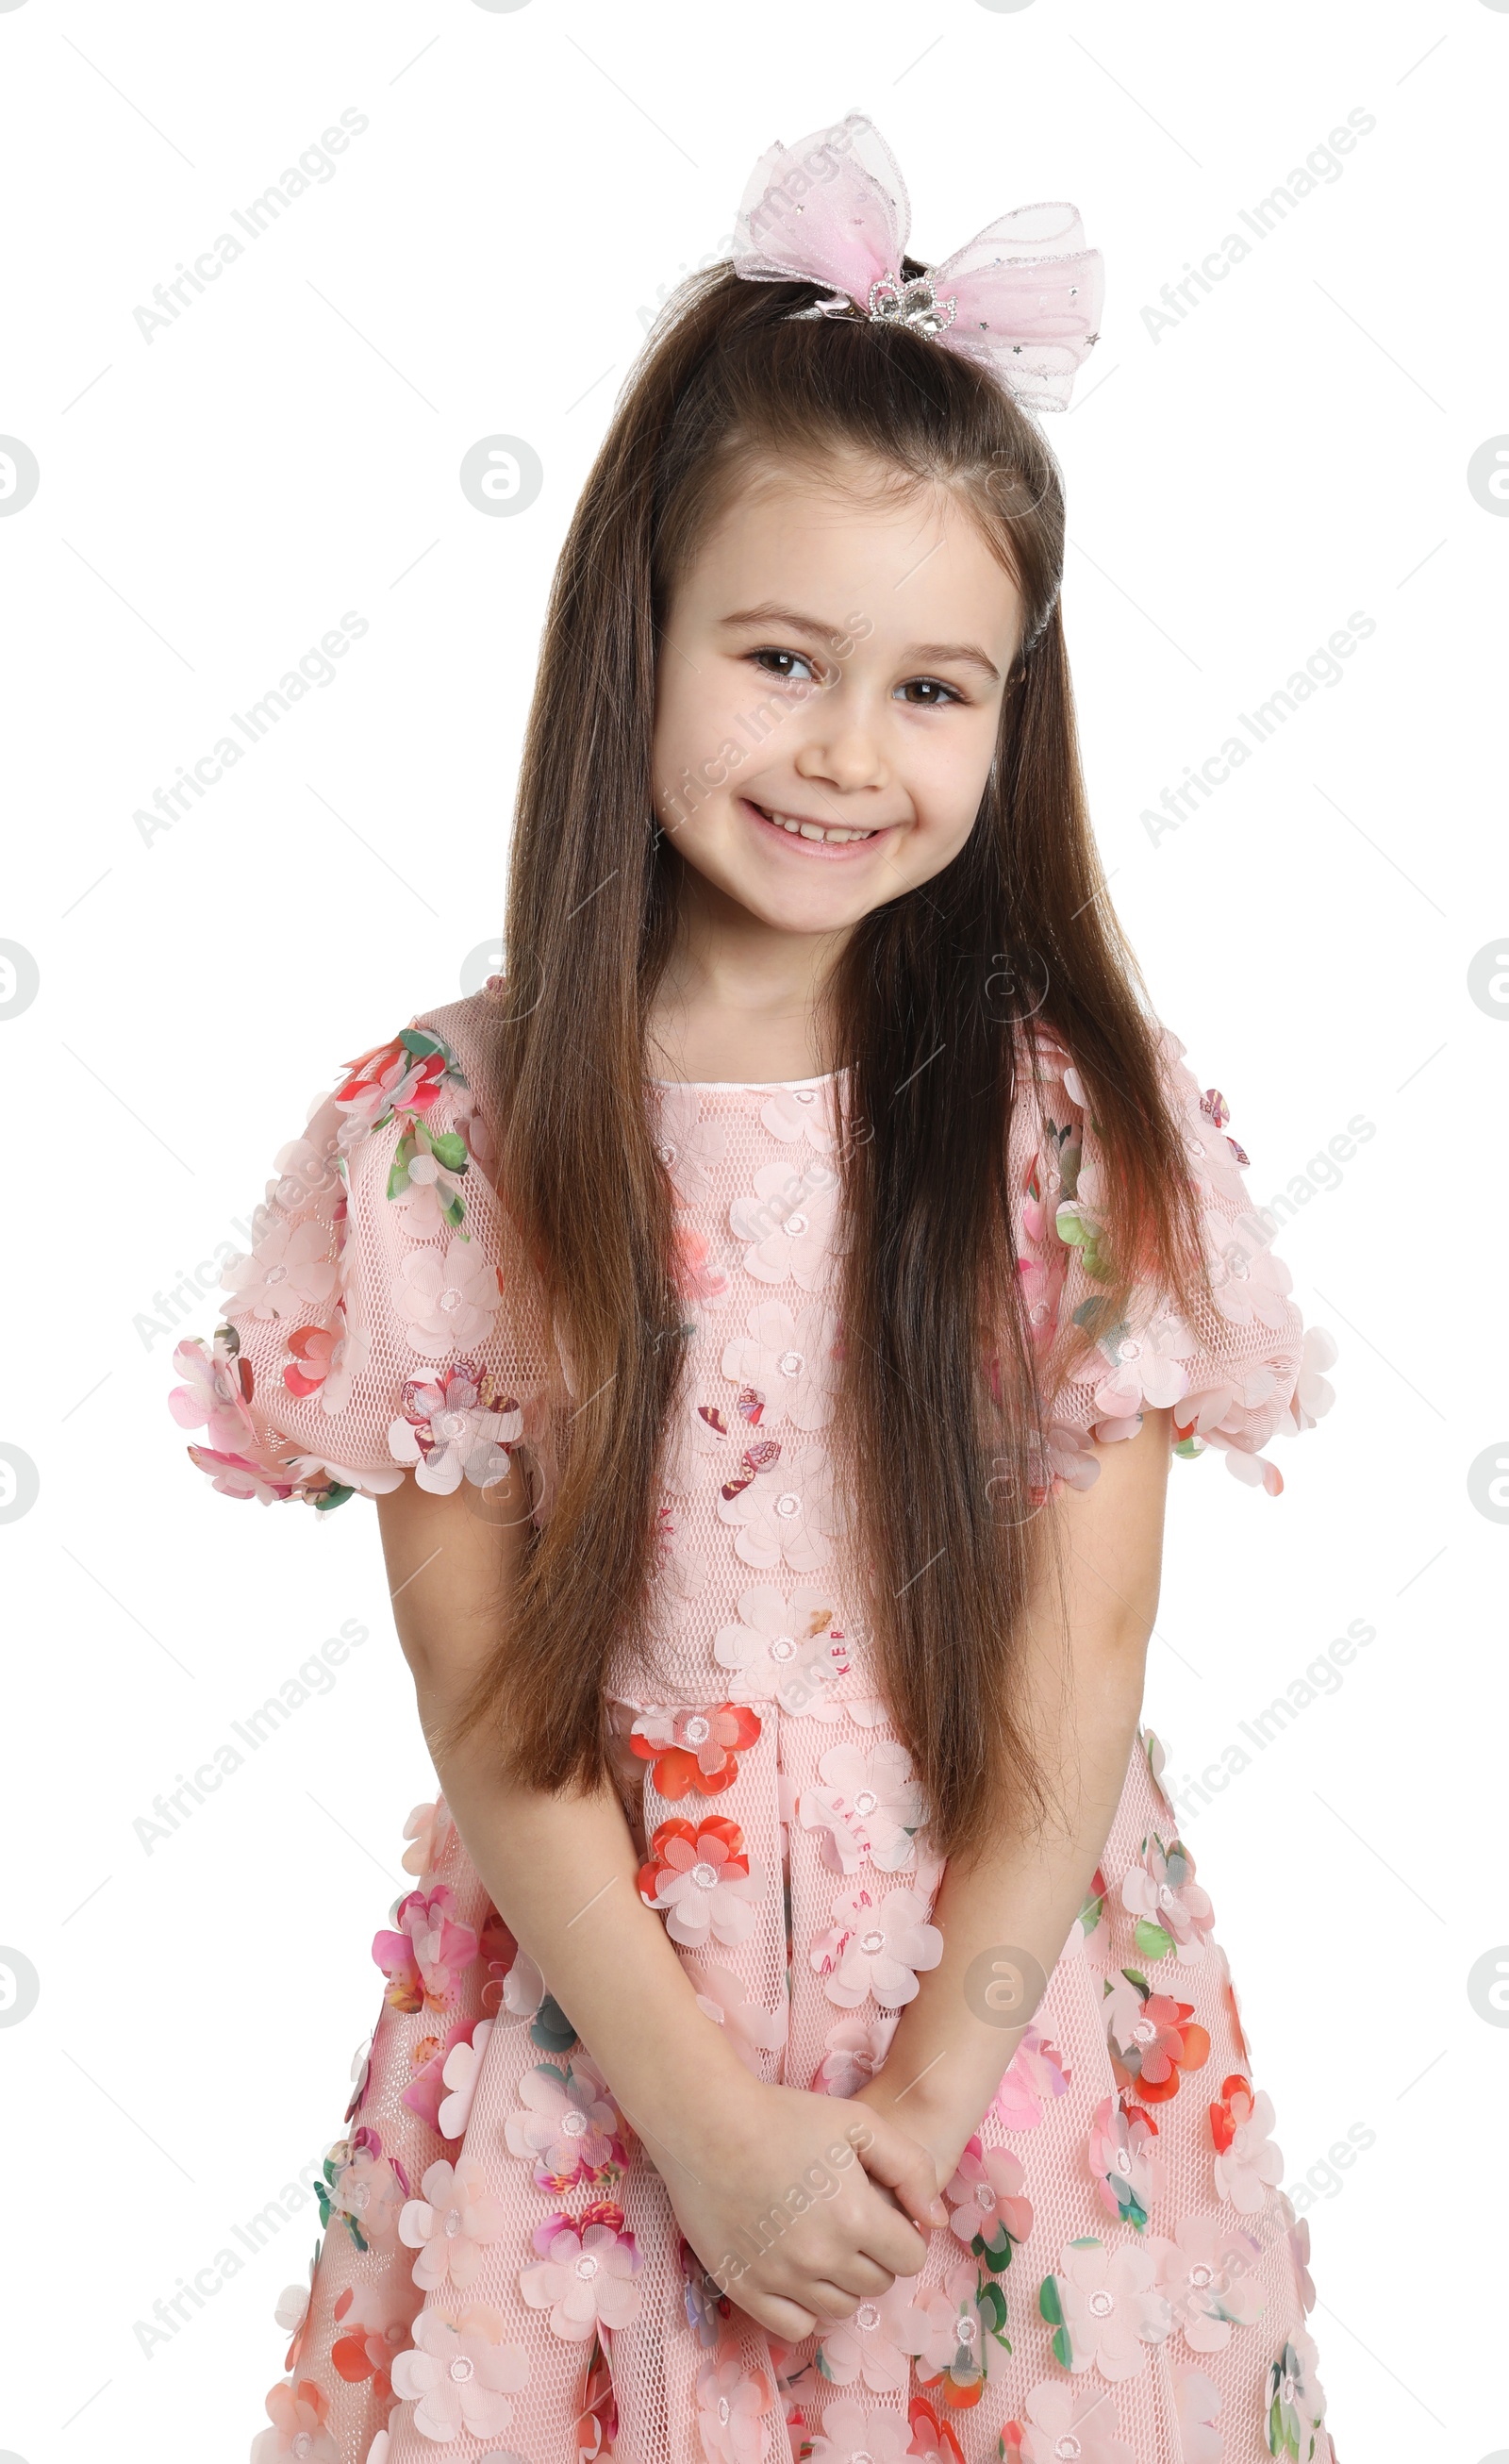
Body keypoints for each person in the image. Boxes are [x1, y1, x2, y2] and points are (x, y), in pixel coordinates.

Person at [170, 113, 1341, 2464]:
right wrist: (709, 2124)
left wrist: (922, 2096)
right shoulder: (452, 1138)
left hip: (997, 2055)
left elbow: (1081, 1654)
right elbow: (486, 1679)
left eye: (933, 688)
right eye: (783, 656)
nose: (843, 749)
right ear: (643, 631)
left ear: (1015, 715)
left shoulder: (1055, 1126)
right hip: (611, 2033)